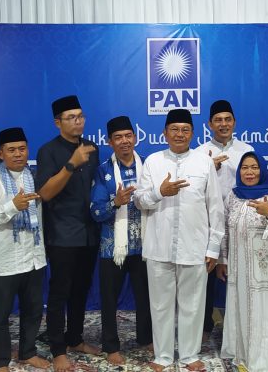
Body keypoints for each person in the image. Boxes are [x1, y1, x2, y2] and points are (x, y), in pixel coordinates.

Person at [135, 108, 224, 372]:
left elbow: (215, 208)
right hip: (158, 246)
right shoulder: (153, 162)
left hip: (194, 246)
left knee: (193, 305)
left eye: (185, 130)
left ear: (193, 134)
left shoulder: (204, 162)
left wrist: (213, 248)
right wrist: (159, 192)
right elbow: (139, 200)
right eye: (174, 129)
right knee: (160, 305)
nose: (179, 134)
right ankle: (163, 356)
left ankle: (188, 355)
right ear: (164, 133)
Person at [0, 127, 51, 371]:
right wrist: (12, 206)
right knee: (0, 314)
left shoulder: (36, 179)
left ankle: (28, 352)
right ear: (1, 154)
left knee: (33, 310)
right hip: (5, 259)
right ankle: (0, 361)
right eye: (11, 150)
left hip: (34, 257)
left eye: (22, 149)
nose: (18, 154)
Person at [36, 95, 101, 372]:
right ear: (58, 122)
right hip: (62, 233)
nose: (78, 121)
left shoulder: (93, 149)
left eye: (80, 116)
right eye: (71, 117)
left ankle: (75, 338)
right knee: (59, 293)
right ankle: (58, 349)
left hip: (89, 232)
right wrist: (71, 164)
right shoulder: (48, 151)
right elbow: (45, 193)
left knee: (81, 290)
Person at [217, 151, 268, 371]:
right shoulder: (233, 196)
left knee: (265, 311)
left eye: (254, 167)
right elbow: (225, 229)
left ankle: (266, 357)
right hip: (239, 268)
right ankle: (241, 352)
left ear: (262, 170)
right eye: (245, 168)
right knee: (240, 306)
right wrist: (223, 259)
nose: (249, 172)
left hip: (266, 271)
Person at [90, 115, 153, 365]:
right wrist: (115, 202)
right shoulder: (103, 171)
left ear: (135, 138)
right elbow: (96, 212)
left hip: (145, 245)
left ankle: (146, 338)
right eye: (118, 137)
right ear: (109, 142)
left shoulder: (148, 166)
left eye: (128, 136)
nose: (124, 141)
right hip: (113, 248)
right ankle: (111, 346)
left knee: (146, 297)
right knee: (109, 299)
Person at [196, 99, 253, 338]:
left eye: (227, 119)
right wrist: (209, 169)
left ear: (234, 122)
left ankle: (241, 327)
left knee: (240, 273)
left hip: (239, 220)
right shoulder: (200, 154)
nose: (223, 124)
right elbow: (194, 190)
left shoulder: (246, 150)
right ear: (209, 124)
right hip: (209, 222)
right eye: (218, 120)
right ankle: (204, 328)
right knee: (206, 276)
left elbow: (254, 183)